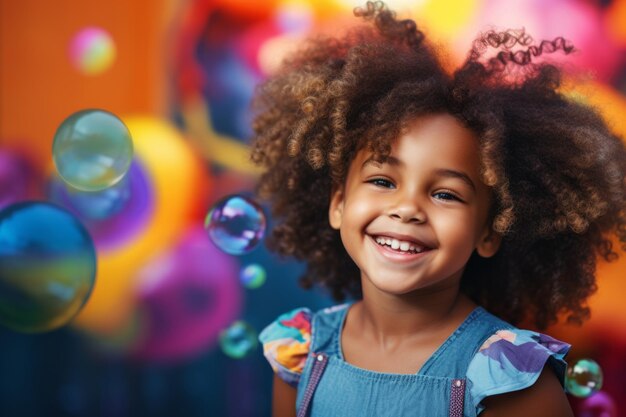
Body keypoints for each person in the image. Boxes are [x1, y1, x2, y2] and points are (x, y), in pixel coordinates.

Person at [250, 2, 626, 416]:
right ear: (338, 203)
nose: (407, 208)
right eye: (382, 181)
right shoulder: (299, 353)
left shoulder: (508, 379)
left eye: (446, 194)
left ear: (489, 230)